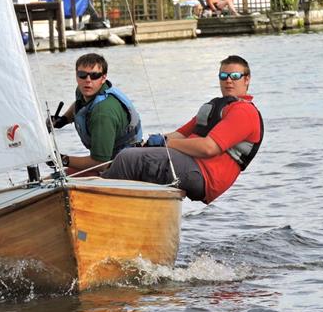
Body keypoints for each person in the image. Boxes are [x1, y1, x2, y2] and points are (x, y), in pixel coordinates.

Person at [103, 55, 262, 204]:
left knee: (127, 159)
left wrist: (165, 143)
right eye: (223, 76)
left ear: (247, 79)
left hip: (204, 175)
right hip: (189, 162)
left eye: (235, 76)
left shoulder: (244, 112)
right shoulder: (216, 107)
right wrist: (147, 143)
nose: (228, 81)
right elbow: (179, 134)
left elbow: (208, 148)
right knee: (125, 155)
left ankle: (100, 204)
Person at [49, 53, 142, 173]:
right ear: (76, 76)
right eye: (82, 75)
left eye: (94, 76)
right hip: (104, 160)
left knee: (59, 179)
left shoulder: (103, 113)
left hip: (122, 163)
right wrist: (63, 120)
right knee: (53, 179)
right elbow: (79, 105)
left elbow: (100, 164)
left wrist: (63, 160)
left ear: (103, 78)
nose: (87, 80)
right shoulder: (84, 90)